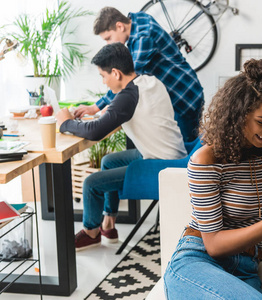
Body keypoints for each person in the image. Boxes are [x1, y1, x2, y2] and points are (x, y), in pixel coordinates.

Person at [163, 59, 262, 299]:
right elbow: (214, 245)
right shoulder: (206, 160)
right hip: (198, 260)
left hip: (247, 269)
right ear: (238, 115)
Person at [56, 42, 187, 251]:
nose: (104, 82)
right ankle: (109, 225)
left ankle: (91, 233)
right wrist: (103, 112)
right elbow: (122, 112)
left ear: (116, 73)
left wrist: (65, 123)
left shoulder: (127, 97)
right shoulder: (148, 81)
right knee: (108, 161)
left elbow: (95, 131)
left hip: (162, 167)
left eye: (103, 76)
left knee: (91, 184)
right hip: (176, 155)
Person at [74, 6, 204, 142]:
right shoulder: (137, 21)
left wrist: (95, 107)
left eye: (108, 38)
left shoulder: (144, 37)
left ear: (119, 26)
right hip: (179, 94)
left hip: (184, 97)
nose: (108, 44)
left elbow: (125, 78)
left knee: (184, 156)